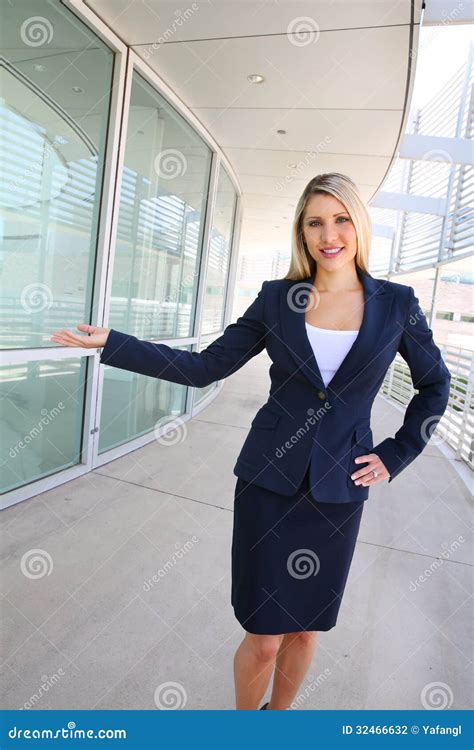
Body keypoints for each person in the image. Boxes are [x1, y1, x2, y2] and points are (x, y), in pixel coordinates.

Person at [50, 173, 451, 710]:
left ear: (359, 225)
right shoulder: (278, 299)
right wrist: (115, 344)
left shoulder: (396, 305)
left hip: (338, 493)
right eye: (315, 222)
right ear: (301, 233)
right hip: (270, 484)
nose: (329, 234)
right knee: (264, 638)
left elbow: (435, 385)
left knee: (306, 632)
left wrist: (395, 454)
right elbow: (205, 367)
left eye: (341, 219)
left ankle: (277, 724)